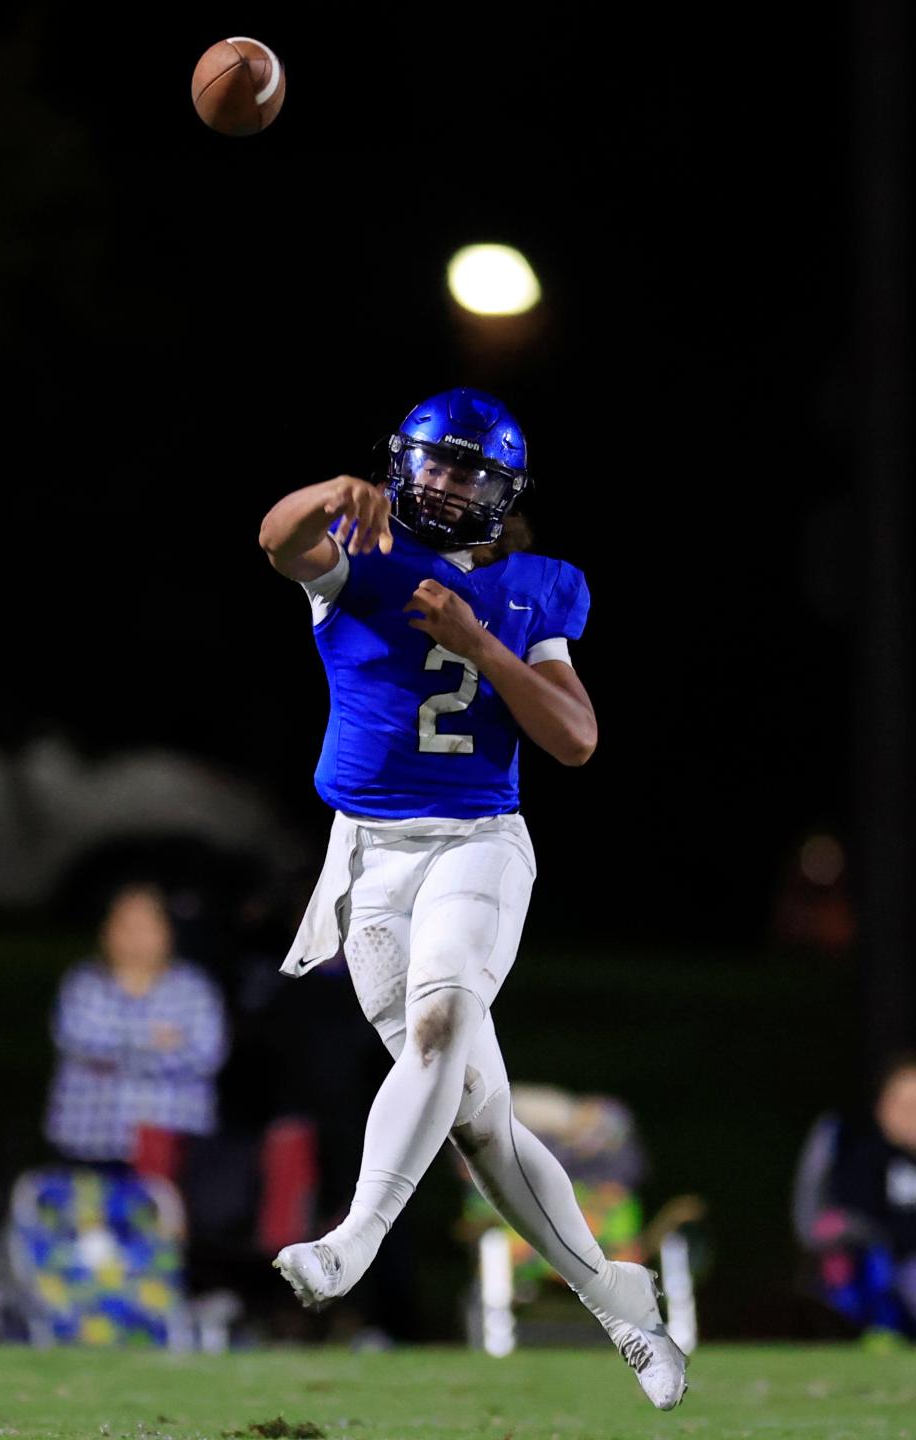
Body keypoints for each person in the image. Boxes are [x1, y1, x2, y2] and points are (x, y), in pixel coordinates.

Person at [257, 386, 687, 1409]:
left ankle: (350, 1244)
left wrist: (481, 640)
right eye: (433, 464)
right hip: (366, 857)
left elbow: (576, 740)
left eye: (468, 472)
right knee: (477, 1119)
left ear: (501, 493)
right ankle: (618, 1299)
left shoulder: (539, 588)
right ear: (403, 464)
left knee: (442, 1018)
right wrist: (328, 489)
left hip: (479, 842)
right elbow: (277, 541)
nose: (445, 484)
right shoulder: (358, 557)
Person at [43, 883, 229, 1167]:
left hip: (170, 1148)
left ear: (167, 932)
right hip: (85, 1144)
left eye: (144, 926)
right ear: (106, 932)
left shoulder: (194, 989)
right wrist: (153, 1041)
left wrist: (114, 1050)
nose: (134, 938)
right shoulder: (83, 984)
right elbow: (78, 1040)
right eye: (125, 926)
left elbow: (205, 1055)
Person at [793, 1052, 916, 1345]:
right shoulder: (855, 1152)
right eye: (906, 1106)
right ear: (883, 1105)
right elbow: (817, 1222)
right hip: (871, 1272)